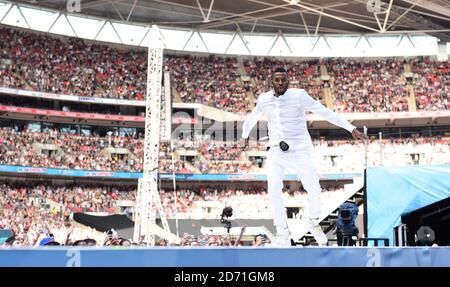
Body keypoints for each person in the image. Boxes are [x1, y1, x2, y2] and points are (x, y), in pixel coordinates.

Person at [241, 67, 368, 246]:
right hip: (276, 149)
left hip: (299, 150)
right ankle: (282, 233)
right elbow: (251, 118)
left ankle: (313, 222)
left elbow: (324, 112)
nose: (280, 83)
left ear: (288, 81)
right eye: (277, 80)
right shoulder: (264, 99)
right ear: (272, 81)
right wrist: (245, 136)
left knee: (314, 189)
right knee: (273, 189)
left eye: (283, 80)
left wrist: (350, 128)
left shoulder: (299, 96)